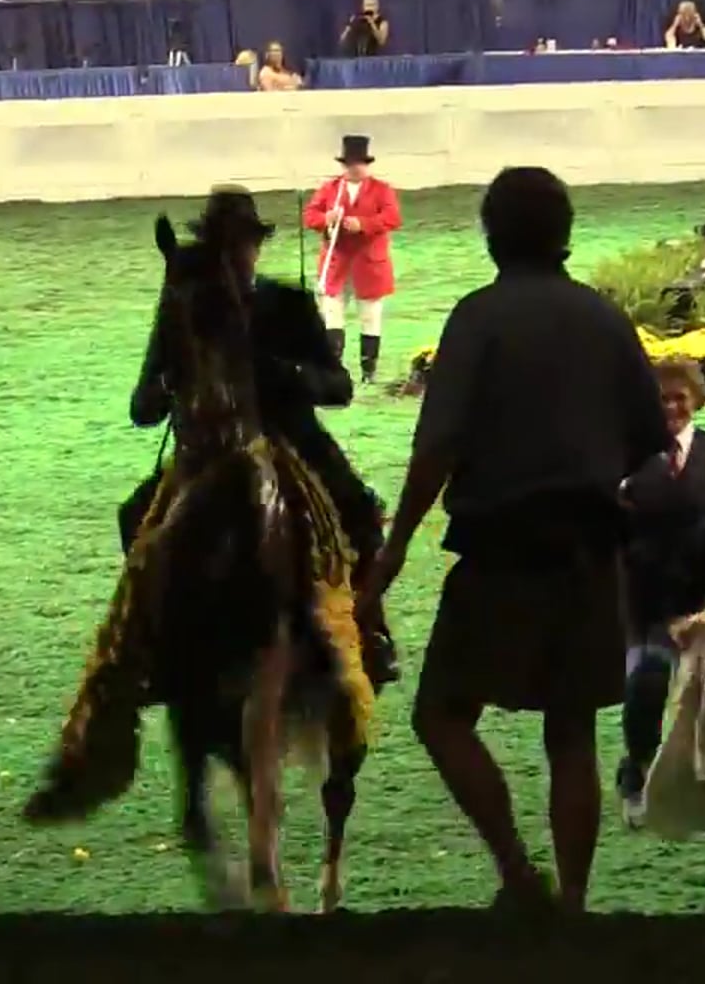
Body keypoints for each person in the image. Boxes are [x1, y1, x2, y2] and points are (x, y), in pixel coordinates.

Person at [361, 167, 670, 911]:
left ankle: (517, 873)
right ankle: (571, 902)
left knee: (441, 714)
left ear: (491, 233)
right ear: (565, 235)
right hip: (592, 554)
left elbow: (437, 447)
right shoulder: (603, 318)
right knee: (572, 736)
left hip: (500, 553)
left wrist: (397, 545)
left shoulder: (478, 318)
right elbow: (648, 443)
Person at [124, 188, 398, 683]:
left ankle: (370, 629)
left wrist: (282, 373)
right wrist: (169, 383)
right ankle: (157, 646)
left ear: (257, 246)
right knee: (135, 518)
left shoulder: (289, 304)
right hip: (209, 451)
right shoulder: (184, 311)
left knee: (358, 511)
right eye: (225, 247)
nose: (236, 257)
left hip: (292, 442)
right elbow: (142, 405)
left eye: (243, 245)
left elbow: (338, 386)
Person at [614, 358, 705, 828]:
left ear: (696, 399)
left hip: (700, 598)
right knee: (646, 683)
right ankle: (636, 776)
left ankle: (695, 786)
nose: (671, 406)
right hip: (642, 597)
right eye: (661, 397)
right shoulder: (628, 454)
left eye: (679, 396)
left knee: (703, 702)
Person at [302, 135, 402, 386]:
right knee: (332, 316)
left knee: (370, 318)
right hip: (336, 264)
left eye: (358, 163)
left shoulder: (382, 190)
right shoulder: (330, 190)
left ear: (366, 164)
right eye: (349, 163)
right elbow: (310, 216)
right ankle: (334, 372)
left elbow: (392, 218)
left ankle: (369, 374)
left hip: (369, 265)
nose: (354, 168)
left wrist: (363, 224)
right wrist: (327, 218)